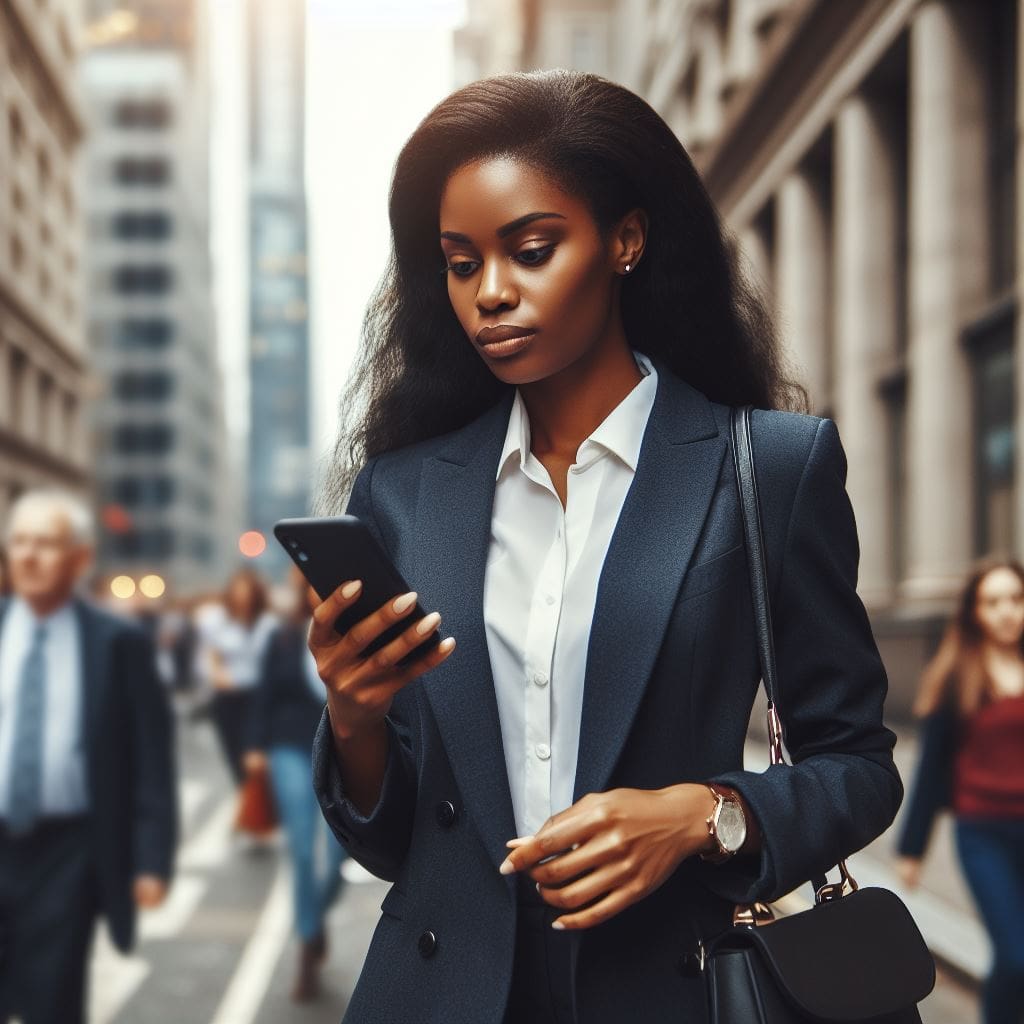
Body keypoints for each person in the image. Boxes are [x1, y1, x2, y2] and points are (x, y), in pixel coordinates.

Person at [310, 70, 902, 1024]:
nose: (491, 294)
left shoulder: (771, 468)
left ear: (625, 240)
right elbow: (393, 844)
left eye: (531, 250)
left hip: (673, 986)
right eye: (460, 264)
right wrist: (354, 716)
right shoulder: (405, 493)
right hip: (438, 995)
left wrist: (703, 815)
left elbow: (858, 764)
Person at [0, 489, 177, 1024]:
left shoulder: (117, 642)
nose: (29, 556)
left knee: (53, 1001)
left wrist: (150, 859)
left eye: (46, 543)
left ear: (79, 558)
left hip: (69, 854)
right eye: (19, 542)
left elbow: (150, 756)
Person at [897, 560, 1024, 1024]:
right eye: (994, 602)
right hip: (984, 834)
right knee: (1015, 956)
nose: (1008, 612)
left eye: (1016, 599)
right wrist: (912, 850)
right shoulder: (959, 678)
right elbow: (931, 771)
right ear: (975, 612)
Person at [245, 565, 348, 1002]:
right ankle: (307, 945)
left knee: (341, 854)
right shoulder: (282, 635)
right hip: (288, 748)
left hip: (341, 755)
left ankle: (314, 916)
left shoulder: (353, 633)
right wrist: (255, 748)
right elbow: (264, 693)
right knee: (303, 851)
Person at [201, 568, 277, 788]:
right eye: (238, 592)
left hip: (259, 696)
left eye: (247, 592)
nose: (242, 598)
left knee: (258, 754)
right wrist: (218, 677)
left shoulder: (269, 623)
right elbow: (210, 655)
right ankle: (246, 796)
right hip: (229, 696)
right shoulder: (216, 620)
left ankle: (263, 800)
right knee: (235, 753)